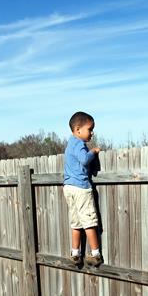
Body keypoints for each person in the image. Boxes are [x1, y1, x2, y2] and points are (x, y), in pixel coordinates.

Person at [63, 111, 102, 266]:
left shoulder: (70, 144)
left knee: (76, 223)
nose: (92, 133)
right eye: (90, 129)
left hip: (68, 187)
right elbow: (84, 160)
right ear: (78, 130)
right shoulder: (79, 144)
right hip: (80, 187)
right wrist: (93, 151)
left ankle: (75, 253)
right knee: (89, 221)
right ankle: (96, 254)